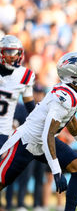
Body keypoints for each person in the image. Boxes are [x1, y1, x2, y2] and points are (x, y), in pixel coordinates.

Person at [0, 52, 77, 211]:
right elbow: (48, 135)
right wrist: (57, 171)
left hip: (45, 141)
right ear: (72, 76)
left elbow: (70, 118)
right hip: (27, 142)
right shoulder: (62, 98)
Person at [0, 35, 36, 211]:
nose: (13, 56)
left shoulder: (24, 75)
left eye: (16, 53)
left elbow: (30, 104)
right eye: (9, 52)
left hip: (3, 133)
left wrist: (39, 122)